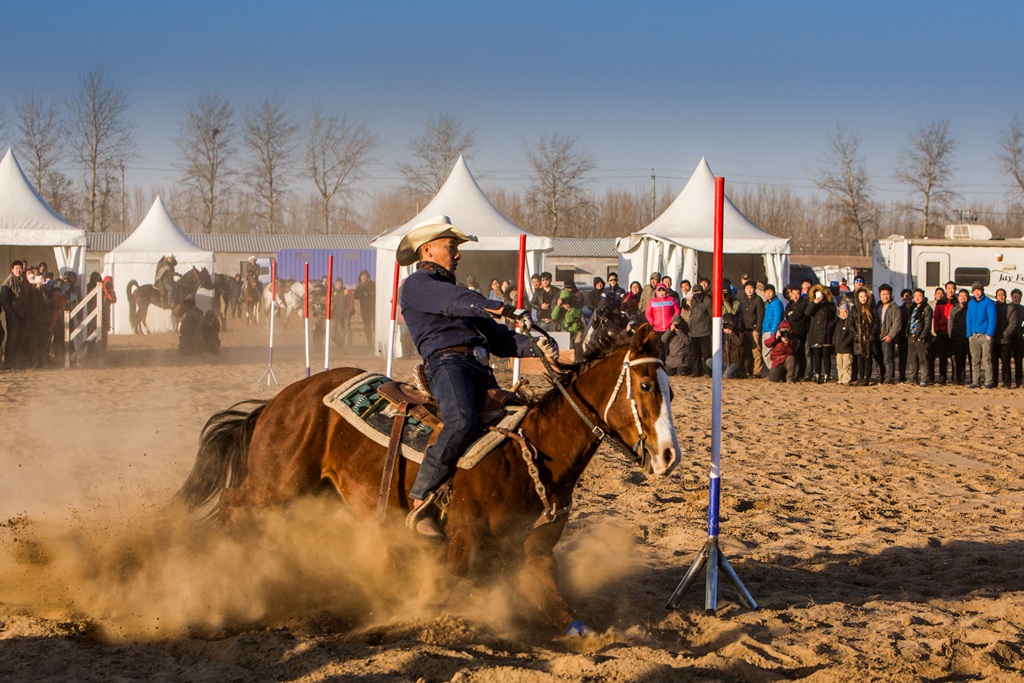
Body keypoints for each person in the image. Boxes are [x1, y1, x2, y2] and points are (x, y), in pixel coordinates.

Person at [397, 215, 556, 538]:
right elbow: (456, 303)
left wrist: (535, 346)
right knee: (461, 420)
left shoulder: (462, 298)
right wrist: (496, 306)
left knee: (512, 424)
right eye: (451, 247)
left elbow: (499, 339)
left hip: (479, 368)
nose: (458, 254)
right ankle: (422, 499)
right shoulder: (418, 285)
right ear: (427, 250)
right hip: (447, 365)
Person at [966, 282, 996, 389]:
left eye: (979, 290)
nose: (977, 292)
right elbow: (968, 319)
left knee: (986, 360)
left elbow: (992, 318)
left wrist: (989, 334)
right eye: (975, 290)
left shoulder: (988, 302)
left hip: (985, 336)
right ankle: (975, 381)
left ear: (982, 291)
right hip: (974, 336)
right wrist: (969, 334)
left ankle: (988, 381)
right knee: (975, 360)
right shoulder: (971, 303)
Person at [0, 260, 28, 369]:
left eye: (20, 268)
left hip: (23, 315)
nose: (18, 270)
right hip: (13, 316)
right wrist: (10, 313)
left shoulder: (23, 281)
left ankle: (17, 360)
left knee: (21, 338)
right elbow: (4, 299)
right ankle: (9, 361)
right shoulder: (8, 282)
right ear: (12, 269)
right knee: (12, 338)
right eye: (16, 268)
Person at [805, 284, 835, 383]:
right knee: (816, 355)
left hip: (826, 332)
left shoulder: (830, 304)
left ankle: (827, 374)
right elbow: (807, 313)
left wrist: (830, 326)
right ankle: (817, 374)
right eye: (818, 293)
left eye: (822, 293)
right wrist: (814, 303)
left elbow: (834, 317)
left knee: (826, 355)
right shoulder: (812, 304)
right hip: (815, 332)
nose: (820, 295)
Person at [904, 288, 933, 386]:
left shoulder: (927, 308)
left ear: (923, 296)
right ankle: (913, 378)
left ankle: (924, 379)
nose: (917, 298)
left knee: (923, 359)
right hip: (911, 336)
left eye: (919, 296)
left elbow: (927, 325)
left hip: (921, 337)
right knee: (912, 359)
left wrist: (922, 336)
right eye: (915, 296)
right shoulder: (913, 307)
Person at [851, 286, 879, 386]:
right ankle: (861, 377)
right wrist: (855, 335)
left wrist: (871, 335)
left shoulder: (871, 309)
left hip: (869, 339)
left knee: (868, 359)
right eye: (861, 296)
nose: (863, 298)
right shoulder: (854, 309)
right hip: (858, 339)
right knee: (860, 360)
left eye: (865, 296)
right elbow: (851, 324)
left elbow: (876, 323)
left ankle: (867, 378)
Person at [875, 284, 903, 384]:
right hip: (877, 337)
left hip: (887, 337)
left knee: (888, 359)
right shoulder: (877, 306)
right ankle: (880, 376)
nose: (885, 296)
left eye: (887, 294)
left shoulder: (894, 308)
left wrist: (891, 336)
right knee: (878, 359)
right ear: (879, 295)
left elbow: (897, 324)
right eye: (883, 294)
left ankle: (889, 378)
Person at [644, 283, 680, 359]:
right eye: (659, 290)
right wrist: (652, 322)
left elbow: (677, 310)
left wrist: (673, 320)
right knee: (660, 348)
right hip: (658, 329)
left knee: (669, 347)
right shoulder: (652, 301)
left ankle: (669, 365)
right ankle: (661, 364)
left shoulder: (671, 300)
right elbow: (648, 313)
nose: (661, 292)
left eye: (663, 290)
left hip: (669, 328)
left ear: (666, 291)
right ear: (656, 291)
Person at [783, 285, 809, 380]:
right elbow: (787, 315)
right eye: (794, 294)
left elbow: (795, 316)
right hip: (792, 332)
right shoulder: (790, 304)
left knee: (802, 354)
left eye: (798, 294)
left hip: (801, 332)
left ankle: (801, 374)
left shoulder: (803, 303)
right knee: (793, 353)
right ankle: (792, 373)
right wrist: (791, 314)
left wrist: (791, 314)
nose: (795, 296)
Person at [740, 280, 765, 378]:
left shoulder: (758, 300)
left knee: (756, 351)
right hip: (745, 328)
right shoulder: (744, 299)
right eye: (747, 288)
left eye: (751, 288)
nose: (749, 290)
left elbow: (760, 314)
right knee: (747, 351)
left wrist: (758, 329)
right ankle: (748, 370)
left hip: (754, 329)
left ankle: (757, 371)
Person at [552, 289, 584, 359]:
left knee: (577, 345)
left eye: (567, 300)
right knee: (569, 347)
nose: (566, 302)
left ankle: (579, 360)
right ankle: (570, 361)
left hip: (577, 330)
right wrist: (558, 306)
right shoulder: (560, 307)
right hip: (566, 331)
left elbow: (579, 314)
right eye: (564, 300)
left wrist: (570, 309)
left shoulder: (575, 303)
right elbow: (554, 317)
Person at [948, 288, 971, 385]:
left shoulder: (971, 308)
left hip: (969, 338)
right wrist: (951, 335)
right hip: (957, 338)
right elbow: (950, 323)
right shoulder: (954, 309)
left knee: (972, 360)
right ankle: (959, 379)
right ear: (958, 298)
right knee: (958, 360)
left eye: (965, 296)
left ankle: (974, 379)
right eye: (961, 296)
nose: (963, 298)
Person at [688, 284, 712, 377]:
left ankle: (708, 371)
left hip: (704, 331)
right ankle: (696, 371)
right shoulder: (693, 300)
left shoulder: (707, 300)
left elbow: (711, 315)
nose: (696, 293)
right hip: (693, 331)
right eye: (695, 292)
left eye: (698, 291)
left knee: (706, 353)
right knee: (695, 353)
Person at [932, 287, 953, 385]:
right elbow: (936, 317)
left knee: (954, 357)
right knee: (942, 357)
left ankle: (955, 377)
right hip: (942, 333)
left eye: (952, 288)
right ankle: (942, 376)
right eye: (949, 288)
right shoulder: (940, 303)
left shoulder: (956, 301)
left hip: (953, 334)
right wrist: (937, 330)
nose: (950, 290)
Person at [833, 302, 855, 385]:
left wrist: (845, 343)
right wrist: (834, 343)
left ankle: (846, 379)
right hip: (838, 349)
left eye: (845, 312)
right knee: (839, 365)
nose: (843, 314)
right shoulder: (838, 323)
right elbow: (835, 334)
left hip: (846, 349)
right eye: (841, 312)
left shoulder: (849, 323)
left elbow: (851, 335)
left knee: (846, 365)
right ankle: (840, 378)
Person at [354, 269, 376, 347]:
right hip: (364, 310)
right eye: (362, 276)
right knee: (367, 328)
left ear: (367, 277)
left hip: (373, 309)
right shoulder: (359, 287)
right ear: (360, 278)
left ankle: (376, 342)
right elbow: (355, 295)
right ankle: (370, 344)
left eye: (365, 276)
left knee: (375, 327)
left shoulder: (373, 284)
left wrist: (369, 295)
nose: (363, 278)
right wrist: (363, 295)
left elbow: (376, 293)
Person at [1008, 288, 1024, 388]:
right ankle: (1008, 380)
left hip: (1018, 338)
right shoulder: (1008, 307)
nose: (1017, 299)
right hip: (1008, 338)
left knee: (1018, 360)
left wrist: (1021, 330)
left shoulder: (1022, 309)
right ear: (1011, 297)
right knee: (1006, 360)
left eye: (1019, 297)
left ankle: (1019, 380)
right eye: (1015, 297)